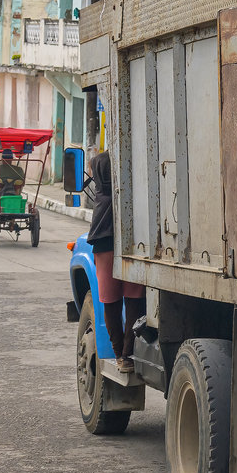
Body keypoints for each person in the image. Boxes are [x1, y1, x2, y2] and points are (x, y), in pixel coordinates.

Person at [87, 151, 144, 373]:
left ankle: (118, 353)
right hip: (134, 238)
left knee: (110, 301)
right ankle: (128, 355)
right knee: (134, 298)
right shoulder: (134, 193)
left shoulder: (97, 167)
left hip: (104, 241)